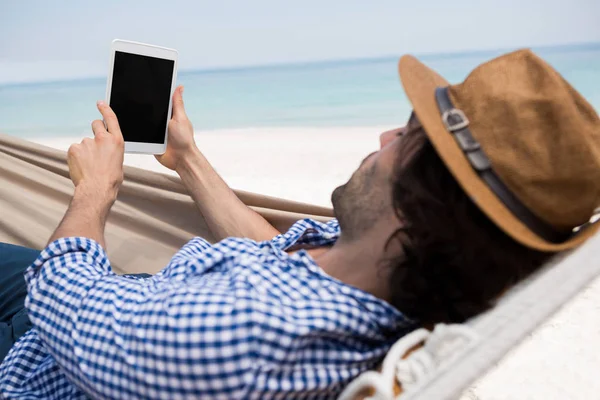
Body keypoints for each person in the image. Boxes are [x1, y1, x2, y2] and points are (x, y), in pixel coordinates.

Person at [1, 49, 599, 399]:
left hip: (40, 354)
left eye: (411, 134)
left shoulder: (249, 338)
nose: (387, 135)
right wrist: (185, 159)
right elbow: (271, 251)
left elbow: (64, 305)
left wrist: (95, 192)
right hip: (117, 306)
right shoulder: (387, 275)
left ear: (422, 204)